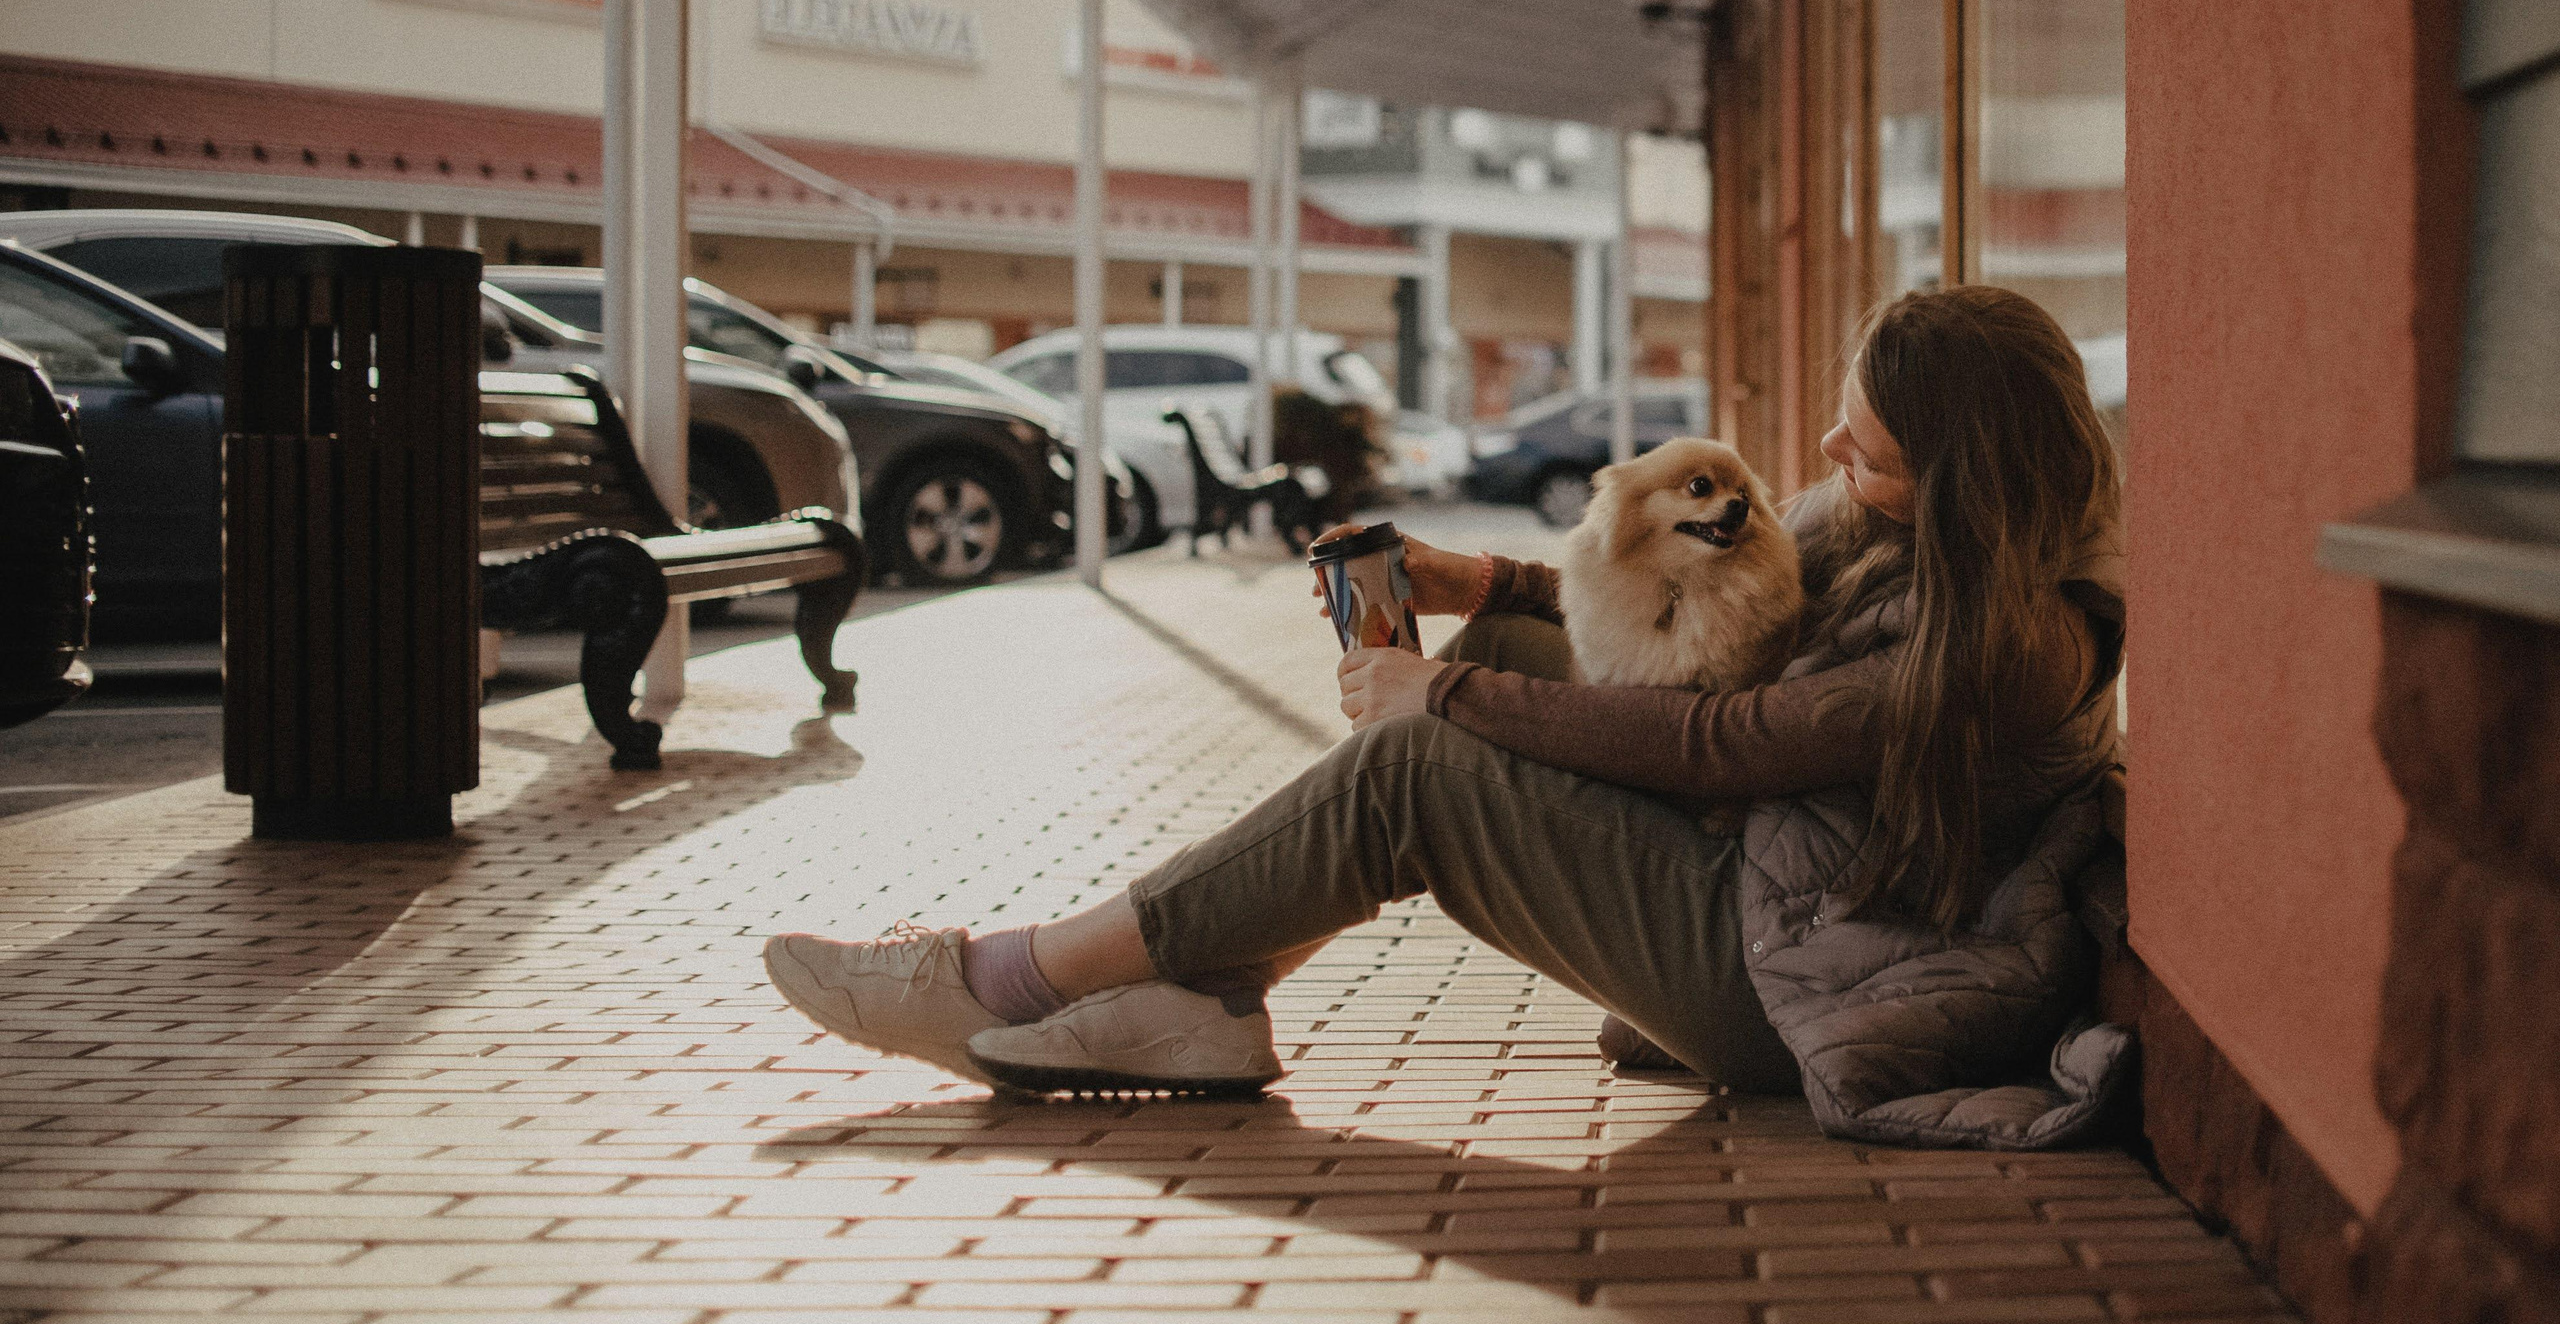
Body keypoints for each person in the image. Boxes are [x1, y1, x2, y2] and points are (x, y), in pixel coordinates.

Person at [764, 285, 2125, 1100]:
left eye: (1870, 447)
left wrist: (1440, 706)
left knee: (1418, 761)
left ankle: (1008, 978)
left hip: (1791, 979)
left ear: (1962, 469)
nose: (1830, 450)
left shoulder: (2019, 641)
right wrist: (1479, 583)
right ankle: (1212, 998)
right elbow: (1706, 627)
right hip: (1789, 887)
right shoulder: (1907, 542)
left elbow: (1733, 739)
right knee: (1483, 669)